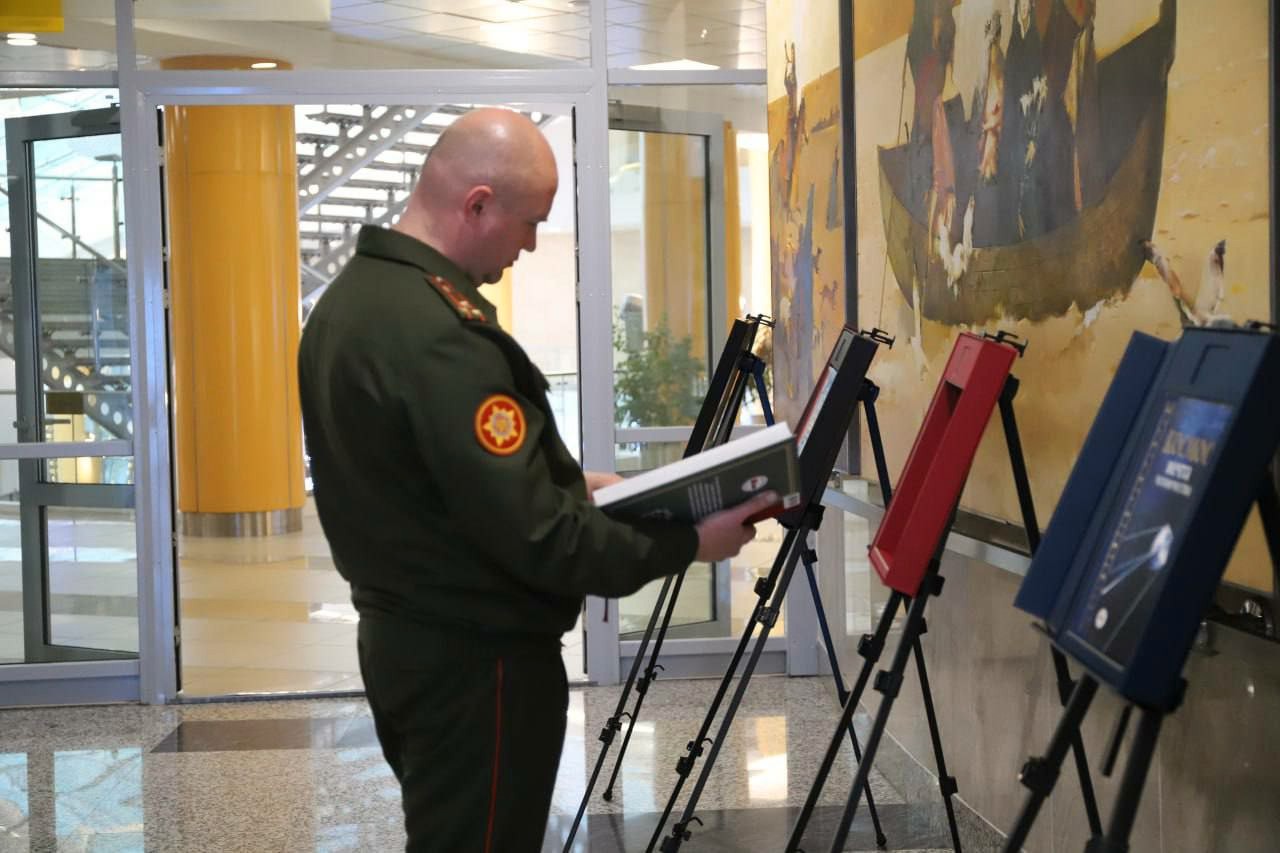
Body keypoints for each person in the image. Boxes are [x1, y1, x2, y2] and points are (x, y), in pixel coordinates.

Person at [296, 107, 774, 852]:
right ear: (477, 204)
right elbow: (542, 538)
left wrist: (571, 482)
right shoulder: (442, 337)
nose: (529, 244)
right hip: (477, 665)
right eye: (528, 223)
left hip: (406, 641)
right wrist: (689, 543)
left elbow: (433, 479)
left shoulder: (351, 303)